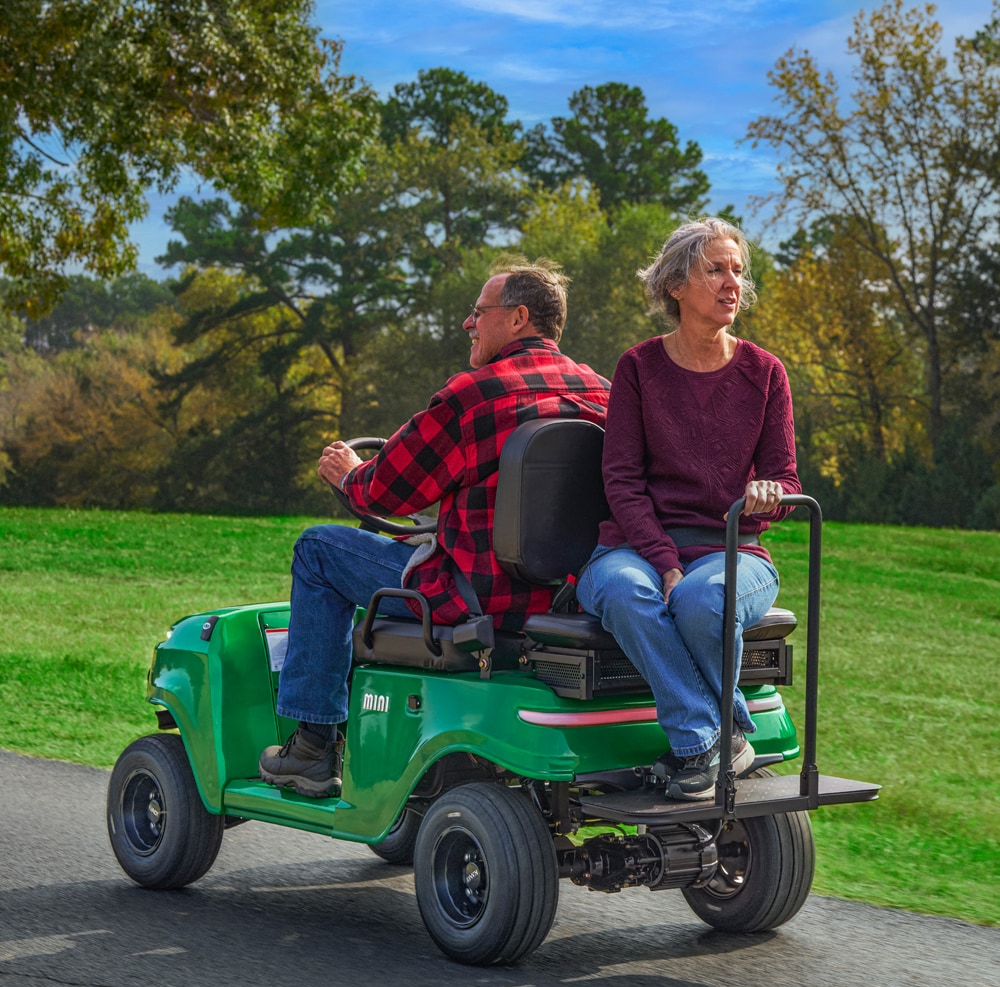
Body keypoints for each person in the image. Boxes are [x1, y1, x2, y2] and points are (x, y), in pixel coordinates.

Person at [259, 256, 610, 797]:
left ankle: (312, 745)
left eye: (478, 313)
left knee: (317, 549)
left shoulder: (474, 396)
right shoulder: (601, 394)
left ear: (518, 318)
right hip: (563, 601)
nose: (469, 323)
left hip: (467, 598)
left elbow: (386, 490)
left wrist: (351, 475)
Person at [575, 218, 801, 801]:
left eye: (737, 272)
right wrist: (664, 560)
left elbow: (784, 478)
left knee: (703, 599)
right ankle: (714, 739)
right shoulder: (638, 368)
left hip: (732, 548)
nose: (733, 285)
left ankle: (701, 742)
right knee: (626, 590)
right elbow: (620, 480)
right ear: (676, 285)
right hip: (631, 544)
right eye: (716, 270)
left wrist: (768, 495)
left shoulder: (765, 373)